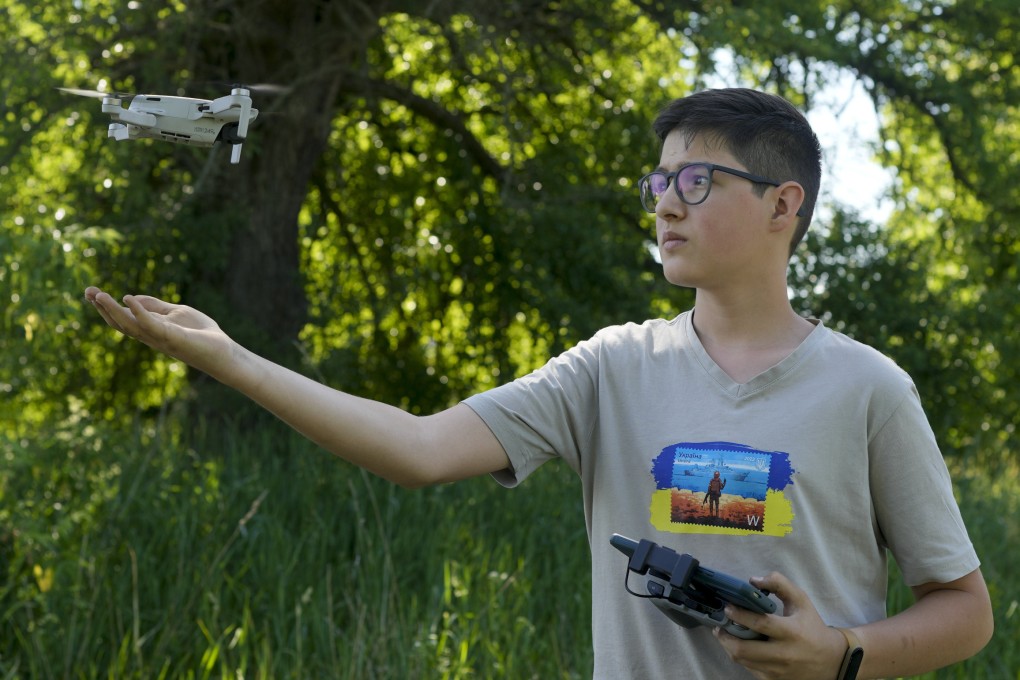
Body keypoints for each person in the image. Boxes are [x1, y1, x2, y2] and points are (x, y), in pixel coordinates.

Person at [84, 87, 993, 679]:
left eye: (699, 180)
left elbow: (965, 612)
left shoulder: (870, 390)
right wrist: (228, 358)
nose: (666, 202)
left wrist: (840, 655)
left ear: (782, 205)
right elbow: (419, 447)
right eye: (660, 180)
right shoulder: (610, 366)